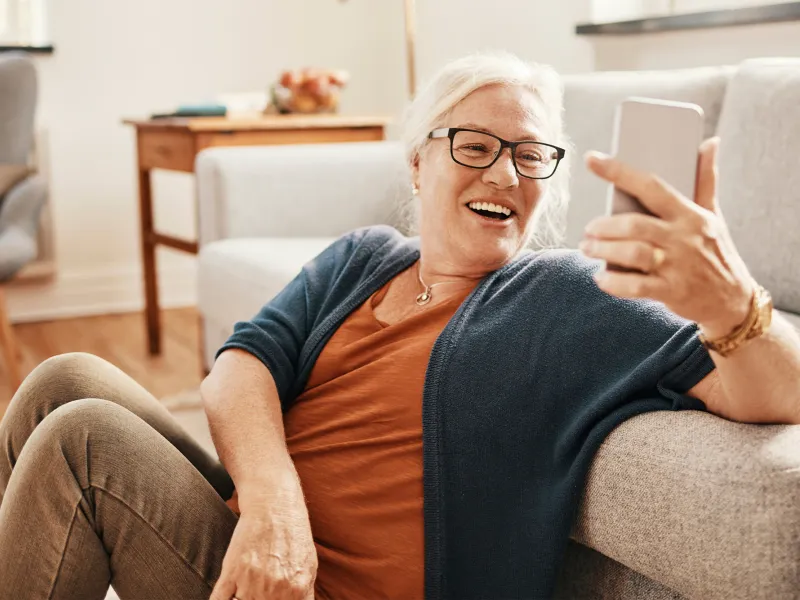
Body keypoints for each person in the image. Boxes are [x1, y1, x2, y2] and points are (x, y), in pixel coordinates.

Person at [1, 51, 799, 600]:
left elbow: (776, 389)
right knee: (63, 379)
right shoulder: (364, 257)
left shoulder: (564, 297)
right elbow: (241, 363)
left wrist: (732, 300)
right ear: (418, 164)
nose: (503, 173)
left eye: (529, 156)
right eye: (475, 145)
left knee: (86, 442)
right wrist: (275, 502)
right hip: (261, 554)